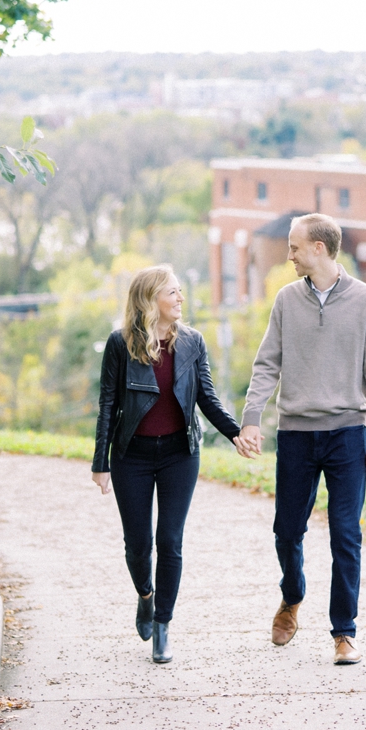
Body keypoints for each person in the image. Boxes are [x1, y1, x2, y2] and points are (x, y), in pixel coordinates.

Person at [237, 213, 366, 665]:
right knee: (287, 530)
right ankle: (292, 596)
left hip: (348, 434)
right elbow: (267, 363)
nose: (289, 254)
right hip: (297, 434)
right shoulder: (286, 300)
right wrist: (251, 418)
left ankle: (344, 632)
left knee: (346, 534)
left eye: (295, 247)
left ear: (319, 248)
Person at [93, 264, 252, 663]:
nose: (180, 299)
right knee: (138, 545)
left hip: (181, 454)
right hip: (133, 456)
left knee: (170, 541)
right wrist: (101, 463)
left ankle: (163, 623)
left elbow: (207, 399)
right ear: (151, 300)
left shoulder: (193, 342)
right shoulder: (120, 344)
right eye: (172, 292)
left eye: (181, 292)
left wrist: (236, 432)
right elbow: (107, 406)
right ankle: (145, 595)